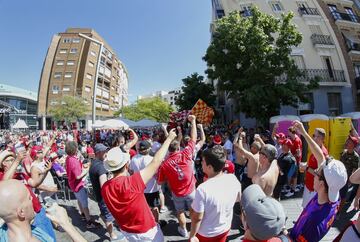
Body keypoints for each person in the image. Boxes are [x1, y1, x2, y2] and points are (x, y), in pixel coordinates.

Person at [102, 129, 177, 242]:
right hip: (147, 232)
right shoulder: (132, 182)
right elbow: (156, 161)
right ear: (126, 164)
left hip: (127, 232)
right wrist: (169, 138)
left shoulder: (105, 187)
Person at [290, 120, 347, 242]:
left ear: (321, 184)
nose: (314, 174)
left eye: (316, 172)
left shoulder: (314, 223)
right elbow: (320, 155)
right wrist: (304, 133)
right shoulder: (334, 197)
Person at [0, 179, 87, 242]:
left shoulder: (4, 232)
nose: (33, 197)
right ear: (21, 212)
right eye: (28, 198)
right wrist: (66, 224)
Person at [189, 145, 241, 242]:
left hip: (207, 234)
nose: (201, 163)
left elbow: (197, 218)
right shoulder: (233, 179)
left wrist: (192, 236)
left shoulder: (203, 189)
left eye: (203, 161)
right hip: (225, 229)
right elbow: (238, 199)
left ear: (210, 167)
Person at [157, 115, 198, 237]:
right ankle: (194, 230)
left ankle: (183, 229)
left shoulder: (164, 165)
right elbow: (194, 138)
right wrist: (194, 122)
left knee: (180, 212)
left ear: (168, 149)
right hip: (191, 190)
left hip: (177, 193)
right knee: (192, 210)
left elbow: (160, 182)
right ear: (178, 147)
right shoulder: (185, 153)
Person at [65, 141, 100, 229]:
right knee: (84, 204)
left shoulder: (69, 158)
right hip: (78, 185)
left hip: (72, 184)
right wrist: (87, 170)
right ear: (75, 149)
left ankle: (83, 214)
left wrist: (82, 166)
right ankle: (89, 222)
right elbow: (78, 176)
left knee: (80, 200)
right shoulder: (73, 161)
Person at [89, 143, 118, 240]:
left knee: (104, 213)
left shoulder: (93, 163)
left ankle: (103, 216)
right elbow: (104, 186)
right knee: (109, 217)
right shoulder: (101, 167)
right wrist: (111, 179)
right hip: (104, 197)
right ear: (99, 152)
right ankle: (112, 234)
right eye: (105, 151)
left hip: (98, 195)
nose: (106, 153)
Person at [130, 140, 163, 224]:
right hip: (152, 188)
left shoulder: (133, 159)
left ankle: (147, 222)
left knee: (144, 208)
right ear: (148, 149)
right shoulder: (152, 160)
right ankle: (156, 223)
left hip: (140, 188)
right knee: (155, 208)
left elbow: (131, 172)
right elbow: (157, 174)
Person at [299, 128, 328, 207]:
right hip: (309, 186)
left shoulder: (323, 153)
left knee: (309, 210)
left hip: (314, 189)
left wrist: (307, 168)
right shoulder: (316, 149)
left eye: (316, 136)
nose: (313, 138)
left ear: (322, 138)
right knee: (305, 209)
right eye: (313, 135)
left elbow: (320, 174)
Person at [339, 135, 360, 210]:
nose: (346, 142)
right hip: (340, 177)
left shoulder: (356, 157)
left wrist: (349, 182)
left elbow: (354, 170)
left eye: (349, 142)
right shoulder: (343, 153)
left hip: (347, 179)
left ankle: (339, 211)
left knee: (343, 195)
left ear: (353, 145)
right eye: (347, 141)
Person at [288, 126, 302, 194]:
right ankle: (292, 187)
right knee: (292, 175)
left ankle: (293, 190)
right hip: (293, 160)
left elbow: (298, 153)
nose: (288, 133)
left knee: (294, 175)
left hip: (295, 161)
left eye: (288, 132)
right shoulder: (292, 139)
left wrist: (292, 156)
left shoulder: (297, 140)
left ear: (291, 132)